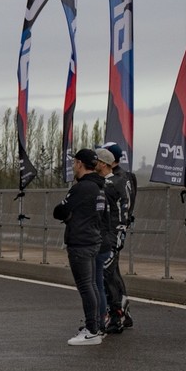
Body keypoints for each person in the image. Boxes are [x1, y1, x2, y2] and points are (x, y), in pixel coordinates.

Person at [53, 148, 109, 346]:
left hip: (81, 242)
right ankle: (95, 327)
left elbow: (59, 211)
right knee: (92, 285)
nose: (73, 167)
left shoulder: (82, 188)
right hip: (93, 240)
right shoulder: (100, 187)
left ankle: (92, 330)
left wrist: (70, 217)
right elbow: (104, 218)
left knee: (86, 287)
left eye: (74, 163)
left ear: (79, 163)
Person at [95, 142, 136, 334]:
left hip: (112, 234)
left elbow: (122, 209)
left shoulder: (115, 181)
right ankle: (120, 311)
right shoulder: (127, 177)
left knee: (108, 274)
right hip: (113, 232)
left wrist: (119, 231)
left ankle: (116, 312)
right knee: (111, 274)